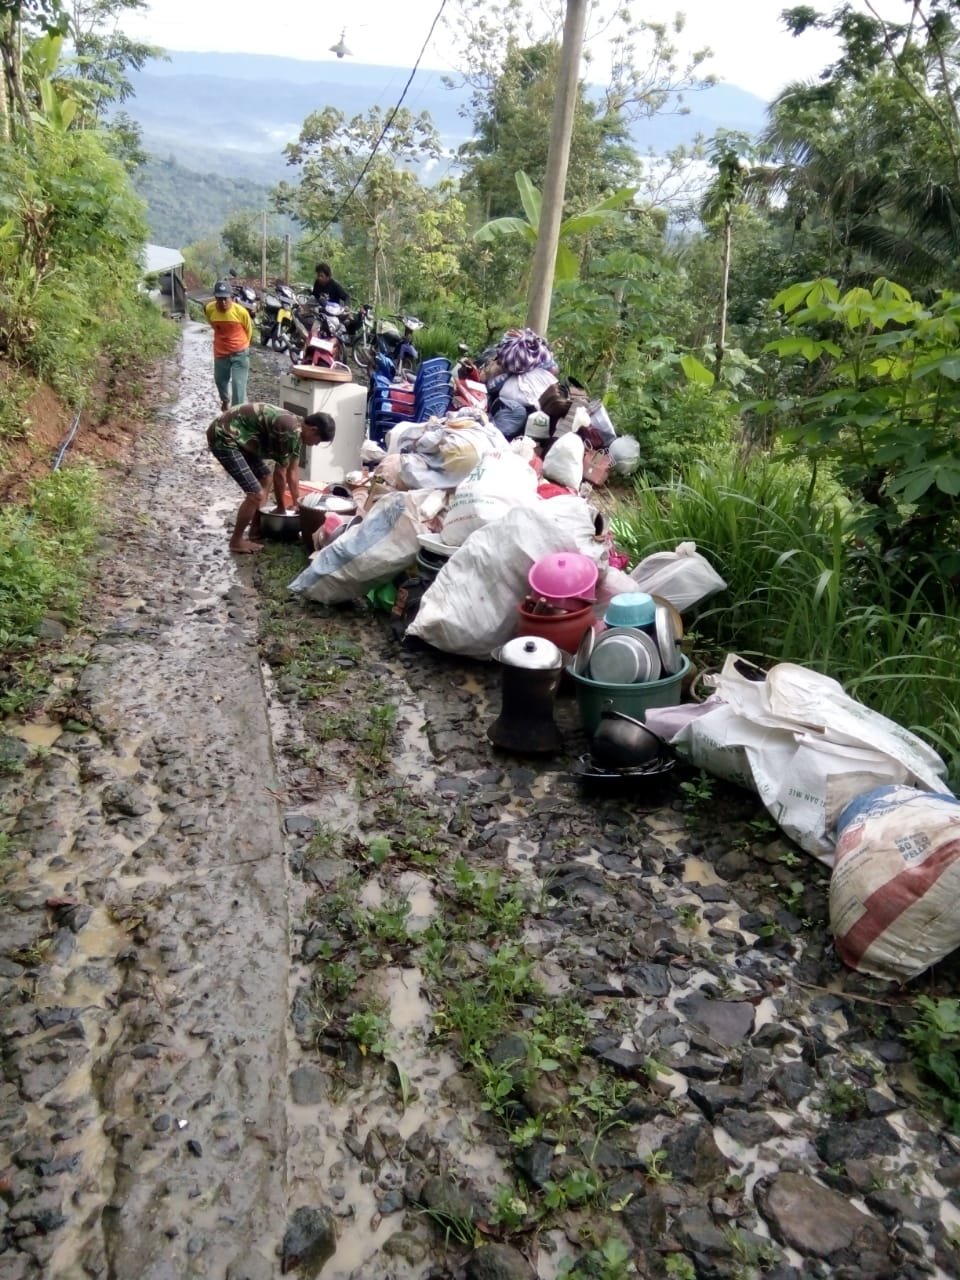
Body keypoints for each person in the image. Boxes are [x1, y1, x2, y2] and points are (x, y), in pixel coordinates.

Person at [206, 403, 335, 553]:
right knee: (255, 494)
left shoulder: (298, 431)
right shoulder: (290, 429)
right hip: (224, 436)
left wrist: (297, 502)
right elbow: (280, 473)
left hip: (240, 437)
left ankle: (255, 529)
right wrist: (281, 508)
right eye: (318, 440)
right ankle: (236, 540)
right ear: (313, 430)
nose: (316, 444)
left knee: (265, 478)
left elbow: (292, 471)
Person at [204, 280, 253, 412]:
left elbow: (248, 329)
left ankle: (235, 415)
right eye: (219, 299)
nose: (223, 302)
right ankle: (225, 400)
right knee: (220, 380)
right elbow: (212, 324)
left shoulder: (241, 312)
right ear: (215, 298)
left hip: (240, 352)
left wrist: (243, 347)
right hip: (221, 352)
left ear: (231, 297)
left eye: (225, 298)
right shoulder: (210, 309)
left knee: (238, 385)